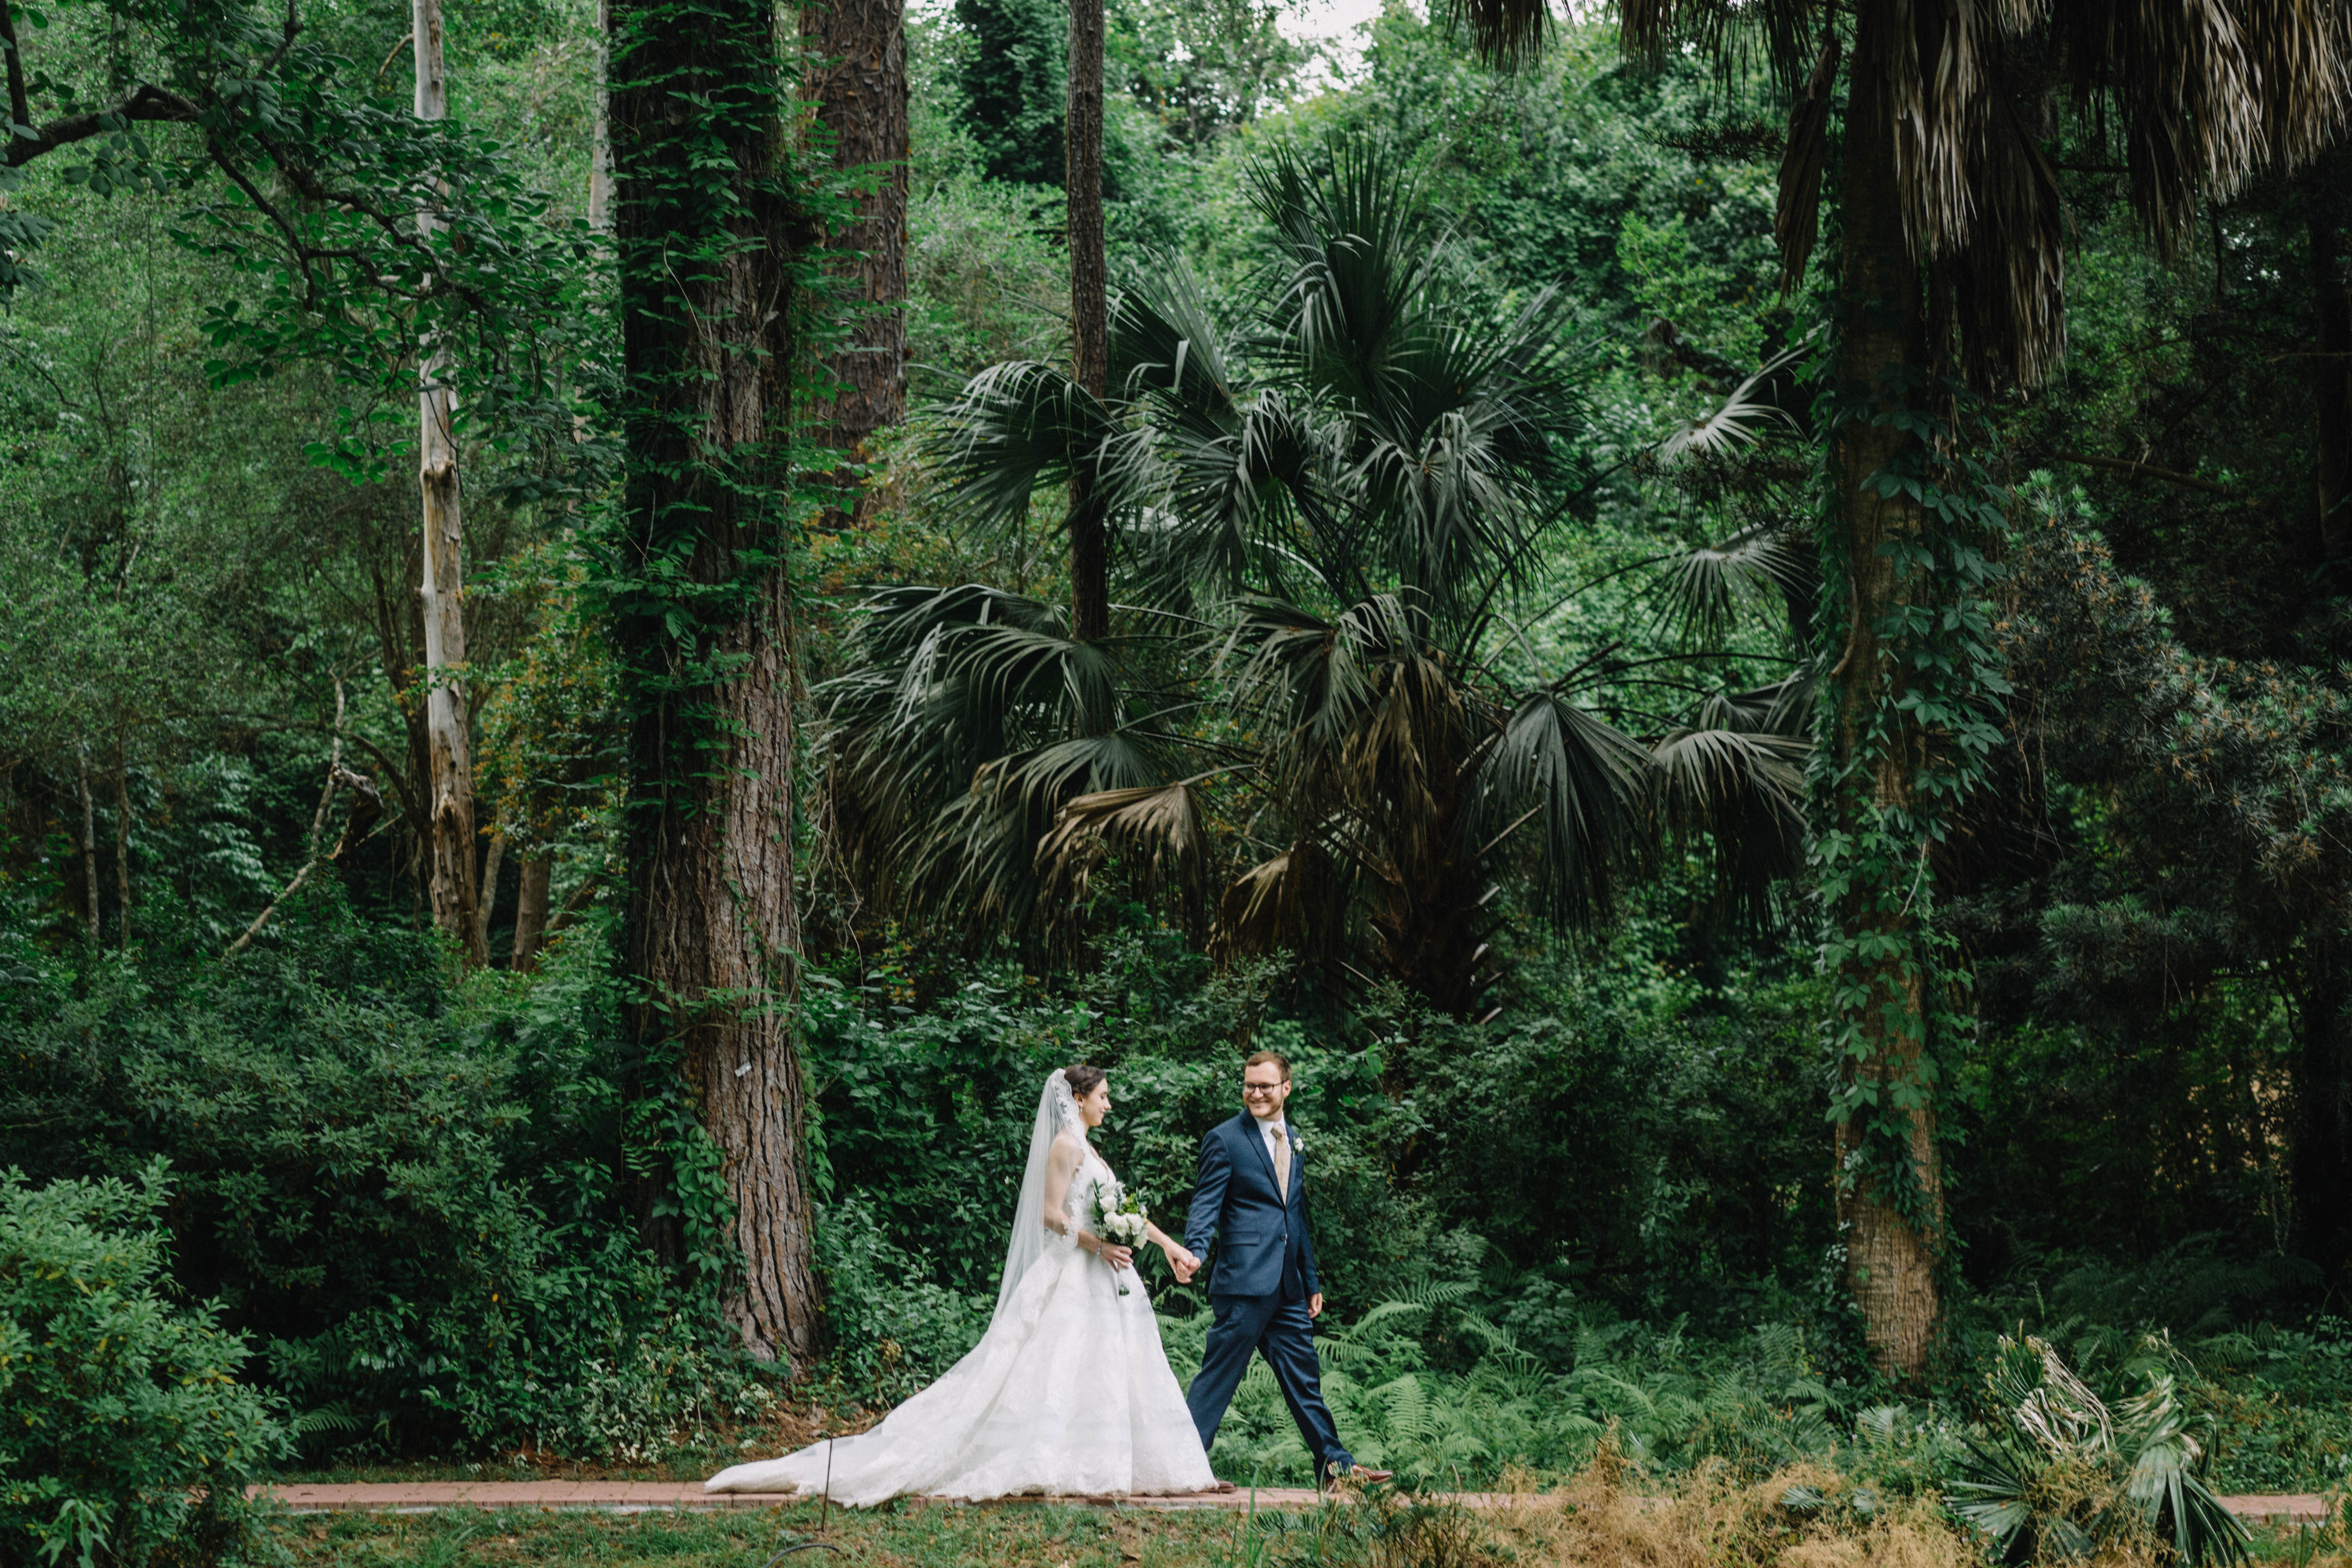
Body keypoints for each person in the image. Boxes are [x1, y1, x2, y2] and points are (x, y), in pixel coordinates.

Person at [704, 1066, 1217, 1503]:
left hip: (1108, 1282)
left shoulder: (1093, 1151)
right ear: (1079, 1099)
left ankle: (1108, 1463)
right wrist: (1097, 1246)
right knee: (1051, 1367)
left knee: (1103, 1371)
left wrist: (1170, 1247)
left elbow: (1124, 1210)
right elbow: (1049, 1216)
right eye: (1103, 1096)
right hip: (1075, 1273)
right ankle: (1046, 1460)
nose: (1109, 1104)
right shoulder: (1066, 1147)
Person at [1175, 1049, 1392, 1489]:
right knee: (1219, 1377)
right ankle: (1181, 1468)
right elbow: (1206, 1203)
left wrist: (1310, 1279)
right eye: (1249, 1085)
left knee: (1304, 1380)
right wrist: (1193, 1250)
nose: (1255, 1093)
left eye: (1265, 1086)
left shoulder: (1292, 1137)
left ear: (1286, 1089)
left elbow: (1296, 1213)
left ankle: (1336, 1469)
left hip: (1289, 1286)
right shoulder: (1225, 1138)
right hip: (1244, 1280)